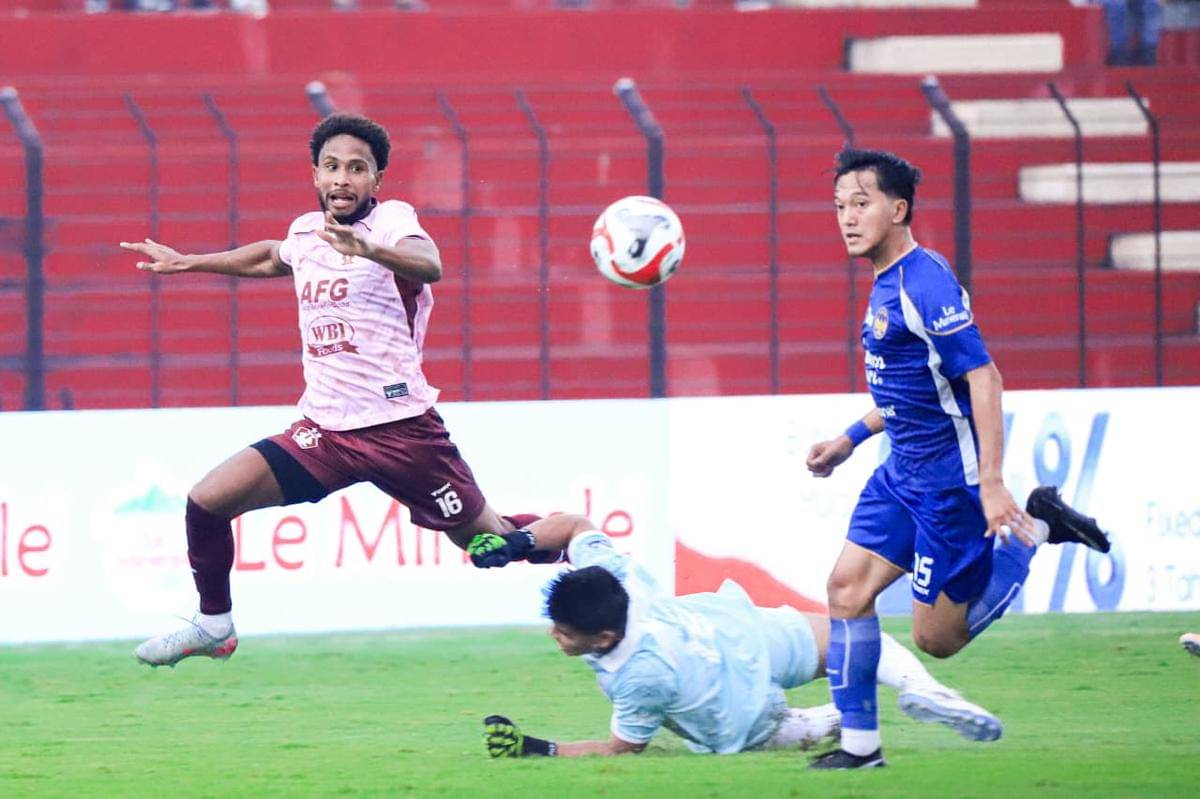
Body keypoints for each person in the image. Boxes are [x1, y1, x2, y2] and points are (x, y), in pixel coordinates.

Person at [122, 113, 533, 668]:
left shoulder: (392, 222)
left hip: (401, 432)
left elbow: (429, 264)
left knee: (495, 545)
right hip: (325, 433)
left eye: (357, 169)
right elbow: (273, 255)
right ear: (316, 175)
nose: (343, 178)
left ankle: (583, 544)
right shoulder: (305, 234)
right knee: (206, 501)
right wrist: (193, 261)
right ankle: (215, 625)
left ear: (377, 180)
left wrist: (369, 251)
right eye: (332, 166)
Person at [804, 148, 1113, 769]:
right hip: (900, 474)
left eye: (861, 204)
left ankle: (1036, 530)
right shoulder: (888, 281)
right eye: (839, 206)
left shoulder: (925, 282)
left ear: (899, 208)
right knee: (845, 590)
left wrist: (992, 484)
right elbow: (912, 389)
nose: (847, 217)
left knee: (935, 639)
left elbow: (985, 378)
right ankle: (861, 748)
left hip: (951, 484)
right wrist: (850, 438)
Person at [467, 515, 1003, 758]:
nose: (553, 635)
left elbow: (620, 748)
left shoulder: (638, 677)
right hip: (742, 630)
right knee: (852, 640)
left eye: (563, 632)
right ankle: (925, 689)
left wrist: (538, 749)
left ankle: (844, 718)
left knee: (804, 728)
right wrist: (517, 544)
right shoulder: (617, 578)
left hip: (740, 709)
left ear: (603, 637)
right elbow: (577, 526)